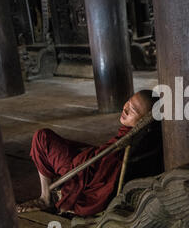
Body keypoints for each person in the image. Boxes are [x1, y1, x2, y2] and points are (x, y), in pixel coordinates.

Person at [16, 90, 158, 216]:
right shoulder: (141, 136)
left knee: (42, 137)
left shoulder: (127, 142)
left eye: (132, 110)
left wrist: (84, 158)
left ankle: (45, 197)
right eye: (128, 102)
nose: (125, 109)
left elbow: (102, 173)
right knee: (72, 145)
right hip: (92, 162)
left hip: (81, 172)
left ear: (143, 121)